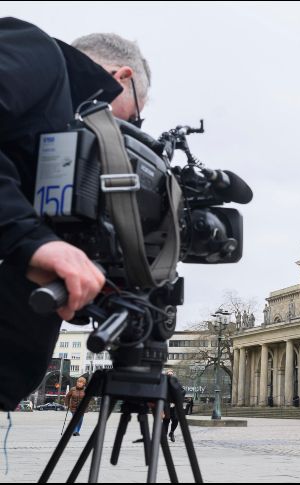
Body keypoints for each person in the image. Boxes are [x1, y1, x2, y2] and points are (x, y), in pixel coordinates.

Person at [0, 18, 151, 411]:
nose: (128, 131)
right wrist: (28, 238)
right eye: (134, 118)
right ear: (122, 78)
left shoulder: (59, 136)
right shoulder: (38, 53)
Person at [163, 370, 180, 442]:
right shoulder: (163, 384)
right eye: (169, 374)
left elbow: (182, 391)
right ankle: (164, 436)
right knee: (166, 421)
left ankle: (171, 432)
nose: (170, 376)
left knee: (175, 420)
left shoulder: (176, 383)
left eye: (171, 374)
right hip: (166, 406)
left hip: (173, 406)